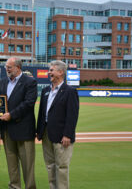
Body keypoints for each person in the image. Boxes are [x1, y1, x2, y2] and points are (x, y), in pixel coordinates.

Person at [37, 60, 79, 189]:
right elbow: (41, 113)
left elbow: (72, 115)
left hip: (62, 136)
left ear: (61, 72)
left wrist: (67, 134)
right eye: (49, 70)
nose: (49, 72)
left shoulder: (70, 91)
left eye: (51, 70)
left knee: (61, 167)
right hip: (46, 134)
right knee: (50, 166)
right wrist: (39, 131)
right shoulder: (45, 90)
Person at [0, 57, 38, 189]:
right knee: (11, 164)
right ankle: (14, 187)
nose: (7, 69)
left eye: (9, 67)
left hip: (24, 129)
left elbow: (29, 103)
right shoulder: (3, 82)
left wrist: (11, 115)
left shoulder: (30, 82)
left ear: (18, 67)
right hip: (6, 130)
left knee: (28, 165)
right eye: (6, 67)